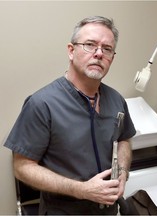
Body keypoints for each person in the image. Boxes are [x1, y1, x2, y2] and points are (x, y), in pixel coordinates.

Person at [4, 16, 136, 215]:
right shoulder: (42, 104)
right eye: (90, 45)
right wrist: (81, 190)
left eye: (107, 48)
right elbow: (22, 167)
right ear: (71, 51)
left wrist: (123, 173)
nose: (99, 54)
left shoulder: (116, 100)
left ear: (112, 58)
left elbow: (124, 138)